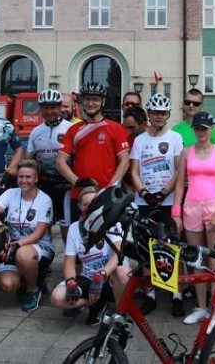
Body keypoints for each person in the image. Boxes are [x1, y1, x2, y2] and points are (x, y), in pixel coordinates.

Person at [172, 111, 215, 324]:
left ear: (211, 129)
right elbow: (180, 183)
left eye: (204, 128)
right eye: (197, 128)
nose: (201, 132)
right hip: (191, 208)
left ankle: (214, 310)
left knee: (214, 260)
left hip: (213, 207)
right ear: (193, 129)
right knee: (195, 259)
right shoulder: (186, 152)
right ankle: (200, 307)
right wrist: (176, 212)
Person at [129, 93, 184, 316]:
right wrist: (143, 192)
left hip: (167, 200)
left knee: (173, 247)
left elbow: (179, 170)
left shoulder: (175, 138)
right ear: (149, 115)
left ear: (168, 115)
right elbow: (133, 171)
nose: (159, 116)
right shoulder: (140, 140)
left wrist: (162, 193)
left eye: (163, 113)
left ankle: (177, 294)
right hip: (144, 200)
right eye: (155, 113)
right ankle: (150, 293)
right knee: (147, 248)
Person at [50, 185, 130, 325]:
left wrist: (101, 275)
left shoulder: (111, 222)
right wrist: (71, 282)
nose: (89, 207)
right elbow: (69, 262)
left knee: (123, 271)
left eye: (93, 203)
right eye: (86, 204)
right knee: (57, 298)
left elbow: (118, 254)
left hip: (109, 277)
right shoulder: (74, 228)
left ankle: (120, 313)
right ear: (80, 206)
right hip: (88, 277)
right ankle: (94, 303)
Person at [0, 159, 54, 312]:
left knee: (23, 254)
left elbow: (38, 234)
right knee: (6, 285)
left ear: (36, 178)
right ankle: (28, 279)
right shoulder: (10, 193)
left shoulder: (44, 199)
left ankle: (32, 289)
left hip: (38, 246)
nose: (24, 180)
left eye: (28, 177)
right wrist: (1, 227)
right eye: (21, 176)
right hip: (12, 246)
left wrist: (17, 245)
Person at [56, 82, 130, 221]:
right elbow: (60, 162)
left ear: (103, 102)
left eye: (95, 99)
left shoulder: (115, 128)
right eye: (87, 99)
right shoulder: (73, 129)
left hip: (107, 196)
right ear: (82, 101)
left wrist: (110, 187)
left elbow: (124, 161)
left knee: (109, 239)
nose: (91, 103)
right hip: (80, 196)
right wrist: (77, 181)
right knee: (79, 238)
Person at [26, 88, 73, 242]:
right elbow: (29, 160)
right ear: (40, 109)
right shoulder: (35, 131)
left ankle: (70, 260)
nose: (49, 111)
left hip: (65, 186)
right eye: (45, 108)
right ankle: (45, 261)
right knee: (43, 225)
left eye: (53, 107)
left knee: (67, 225)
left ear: (60, 107)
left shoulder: (70, 129)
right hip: (44, 186)